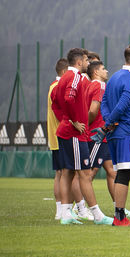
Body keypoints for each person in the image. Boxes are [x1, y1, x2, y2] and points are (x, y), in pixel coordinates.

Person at [53, 47, 113, 226]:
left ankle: (65, 214)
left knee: (68, 173)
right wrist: (72, 120)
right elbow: (69, 99)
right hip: (74, 134)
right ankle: (97, 215)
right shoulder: (75, 77)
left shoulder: (64, 78)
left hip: (67, 131)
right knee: (85, 174)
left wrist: (65, 119)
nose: (89, 63)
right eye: (87, 60)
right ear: (79, 62)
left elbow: (55, 101)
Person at [100, 44, 130, 226]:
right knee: (124, 173)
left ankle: (119, 215)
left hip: (115, 132)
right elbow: (122, 104)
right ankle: (119, 217)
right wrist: (109, 123)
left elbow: (105, 101)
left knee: (122, 172)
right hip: (126, 131)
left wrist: (108, 122)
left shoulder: (113, 77)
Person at [48, 58, 68, 220]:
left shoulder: (53, 87)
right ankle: (62, 209)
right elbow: (60, 113)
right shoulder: (58, 88)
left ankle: (61, 209)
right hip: (61, 136)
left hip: (57, 136)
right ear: (63, 72)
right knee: (63, 173)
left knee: (60, 173)